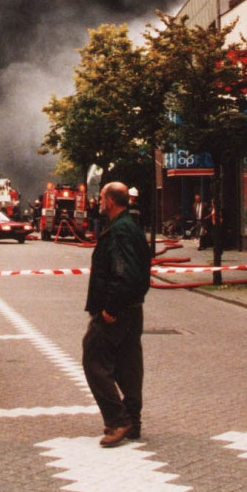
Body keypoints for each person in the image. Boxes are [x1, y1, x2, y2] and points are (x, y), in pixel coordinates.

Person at [83, 181, 152, 447]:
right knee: (128, 364)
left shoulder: (119, 232)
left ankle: (117, 420)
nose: (98, 201)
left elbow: (124, 273)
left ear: (111, 201)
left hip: (117, 311)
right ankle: (133, 420)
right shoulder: (131, 228)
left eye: (101, 197)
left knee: (93, 358)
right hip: (133, 309)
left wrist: (110, 308)